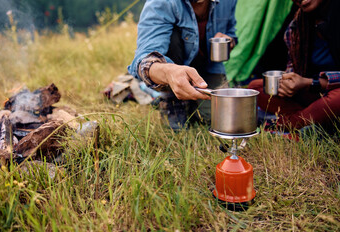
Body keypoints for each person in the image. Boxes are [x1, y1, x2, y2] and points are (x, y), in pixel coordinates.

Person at [128, 0, 238, 130]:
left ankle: (187, 99)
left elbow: (231, 31)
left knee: (216, 118)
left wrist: (230, 40)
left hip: (209, 67)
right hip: (174, 66)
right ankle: (170, 97)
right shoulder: (161, 3)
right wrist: (169, 73)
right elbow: (143, 60)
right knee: (178, 128)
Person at [248, 0, 340, 133]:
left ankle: (289, 123)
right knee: (255, 88)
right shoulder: (299, 24)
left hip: (332, 93)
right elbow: (293, 68)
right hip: (313, 96)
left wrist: (312, 82)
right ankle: (317, 120)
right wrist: (288, 83)